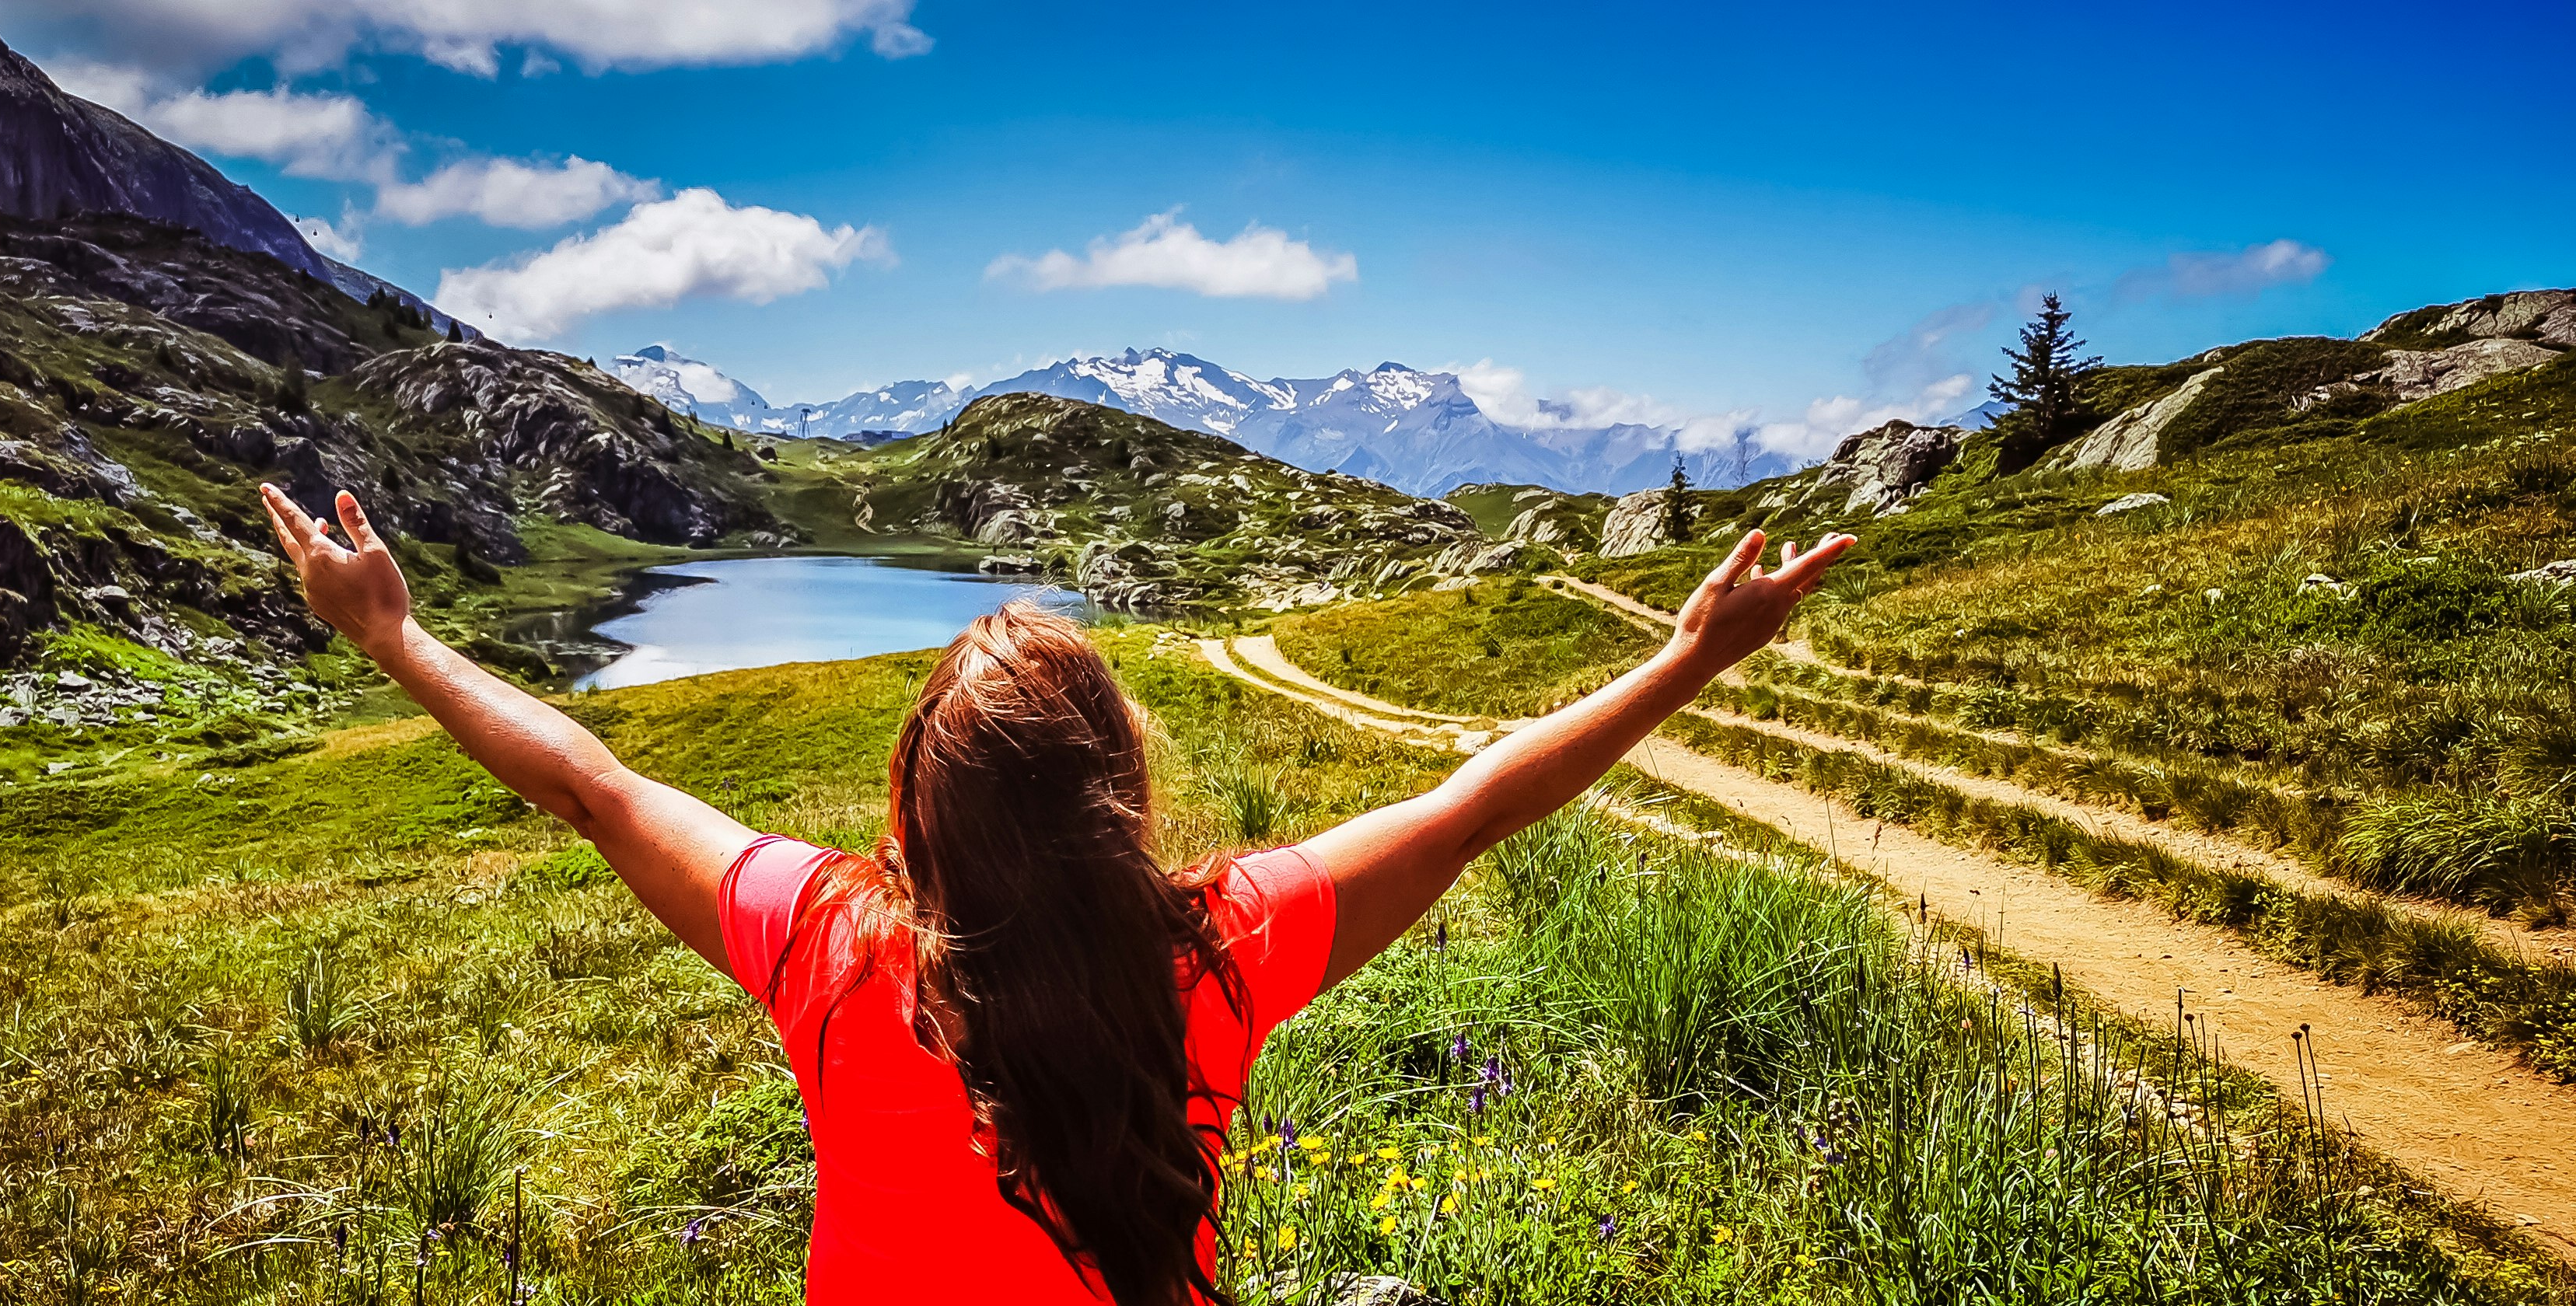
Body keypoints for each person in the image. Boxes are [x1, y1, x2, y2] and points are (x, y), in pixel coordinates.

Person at [259, 484, 1853, 1306]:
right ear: (1118, 796)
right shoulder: (1222, 949)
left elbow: (591, 787)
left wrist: (394, 638)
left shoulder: (823, 939)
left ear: (916, 806)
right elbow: (1473, 804)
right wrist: (1691, 658)